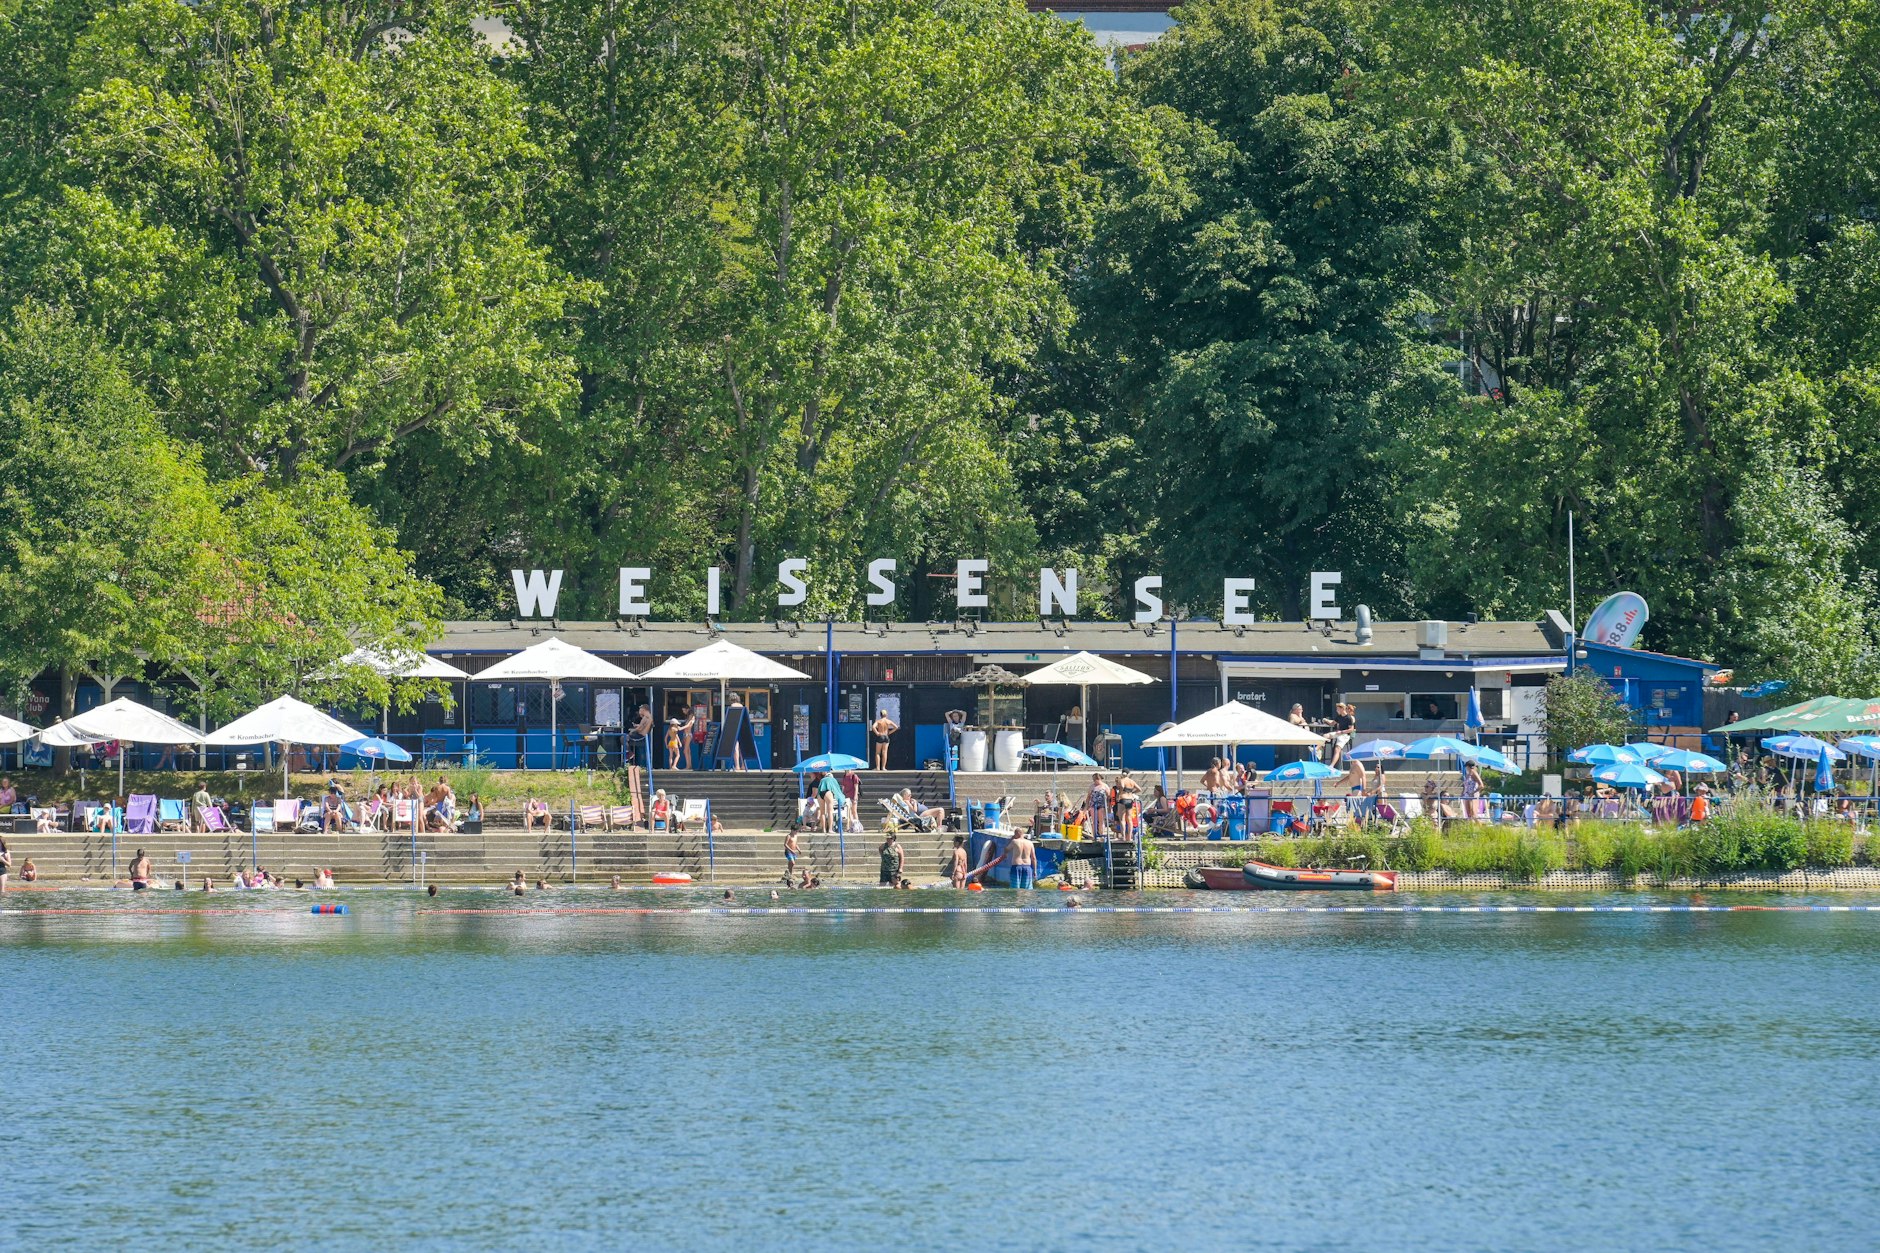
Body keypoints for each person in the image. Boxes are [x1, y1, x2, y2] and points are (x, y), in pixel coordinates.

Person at [625, 703, 653, 797]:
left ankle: (629, 752)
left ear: (644, 709)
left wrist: (632, 730)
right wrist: (637, 725)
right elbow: (641, 726)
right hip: (643, 735)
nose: (639, 711)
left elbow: (640, 728)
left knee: (623, 738)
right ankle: (630, 752)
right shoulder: (648, 717)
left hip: (640, 736)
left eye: (641, 710)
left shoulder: (645, 717)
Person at [815, 770, 841, 834]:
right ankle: (830, 829)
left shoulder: (822, 780)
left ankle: (823, 829)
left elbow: (819, 789)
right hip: (828, 793)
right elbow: (837, 790)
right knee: (830, 812)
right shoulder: (833, 780)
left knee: (822, 812)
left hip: (820, 794)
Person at [1085, 772, 1109, 839]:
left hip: (1101, 805)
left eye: (1095, 780)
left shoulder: (1105, 786)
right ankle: (1094, 835)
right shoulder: (1092, 786)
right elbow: (1088, 797)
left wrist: (1109, 806)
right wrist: (1087, 807)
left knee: (1101, 821)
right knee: (1094, 821)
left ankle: (1101, 835)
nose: (1094, 782)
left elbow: (1109, 796)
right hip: (1093, 804)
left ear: (1098, 779)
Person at [687, 703, 710, 770]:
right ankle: (700, 765)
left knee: (702, 750)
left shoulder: (701, 720)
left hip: (701, 733)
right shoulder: (697, 719)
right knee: (700, 750)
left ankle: (702, 765)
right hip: (699, 732)